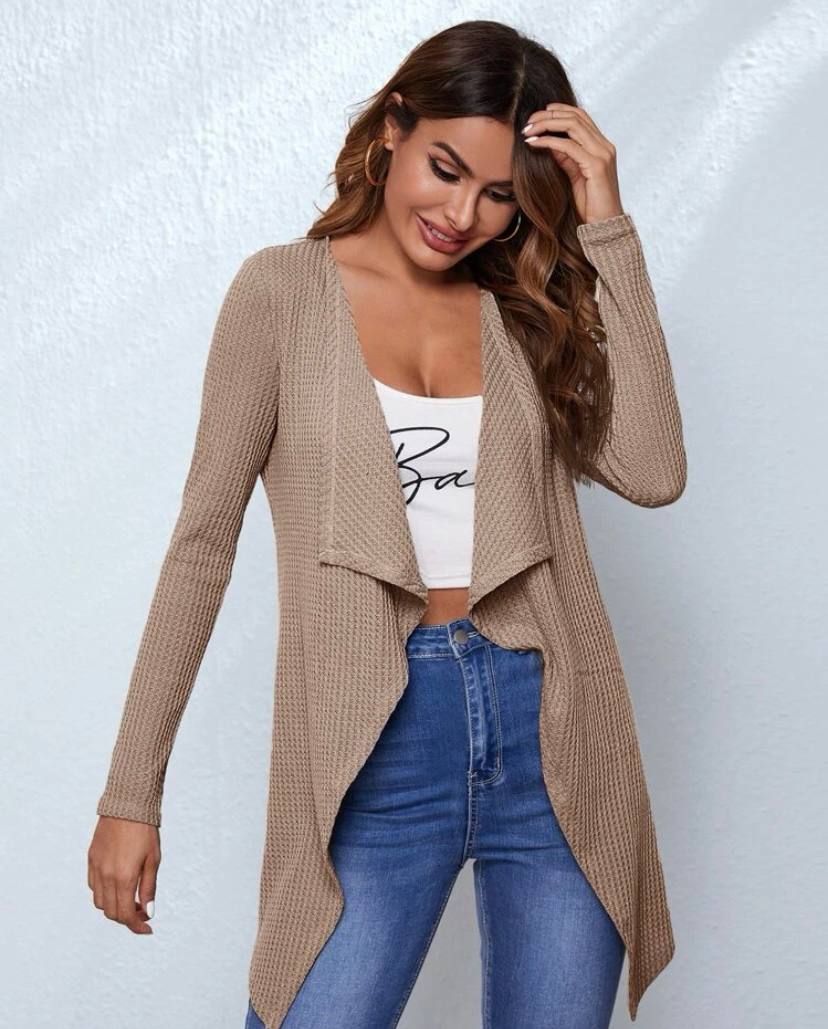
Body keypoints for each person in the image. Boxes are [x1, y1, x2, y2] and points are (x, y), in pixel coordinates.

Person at [88, 19, 686, 1029]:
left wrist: (606, 222)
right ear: (394, 129)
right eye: (445, 169)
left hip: (553, 729)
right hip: (376, 736)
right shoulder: (281, 293)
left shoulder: (521, 308)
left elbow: (656, 471)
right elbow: (200, 548)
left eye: (499, 194)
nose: (461, 215)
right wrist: (130, 792)